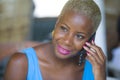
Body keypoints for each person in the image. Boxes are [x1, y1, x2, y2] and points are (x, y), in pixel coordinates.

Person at [4, 0, 106, 80]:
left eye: (79, 36)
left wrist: (100, 76)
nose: (67, 41)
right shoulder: (21, 63)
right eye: (64, 29)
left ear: (90, 39)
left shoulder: (94, 70)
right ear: (57, 23)